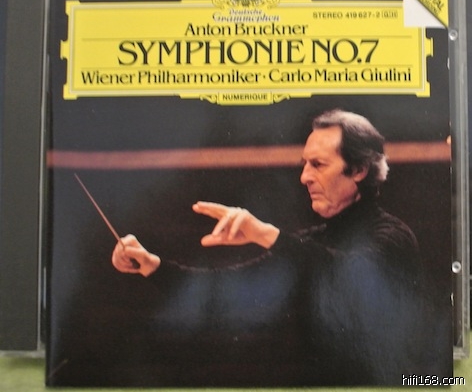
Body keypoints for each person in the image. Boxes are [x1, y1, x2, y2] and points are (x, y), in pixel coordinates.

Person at [111, 109, 451, 385]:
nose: (304, 177)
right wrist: (153, 265)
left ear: (359, 169)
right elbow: (228, 284)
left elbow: (351, 275)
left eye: (318, 164)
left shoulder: (392, 235)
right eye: (304, 164)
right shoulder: (312, 241)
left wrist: (265, 233)